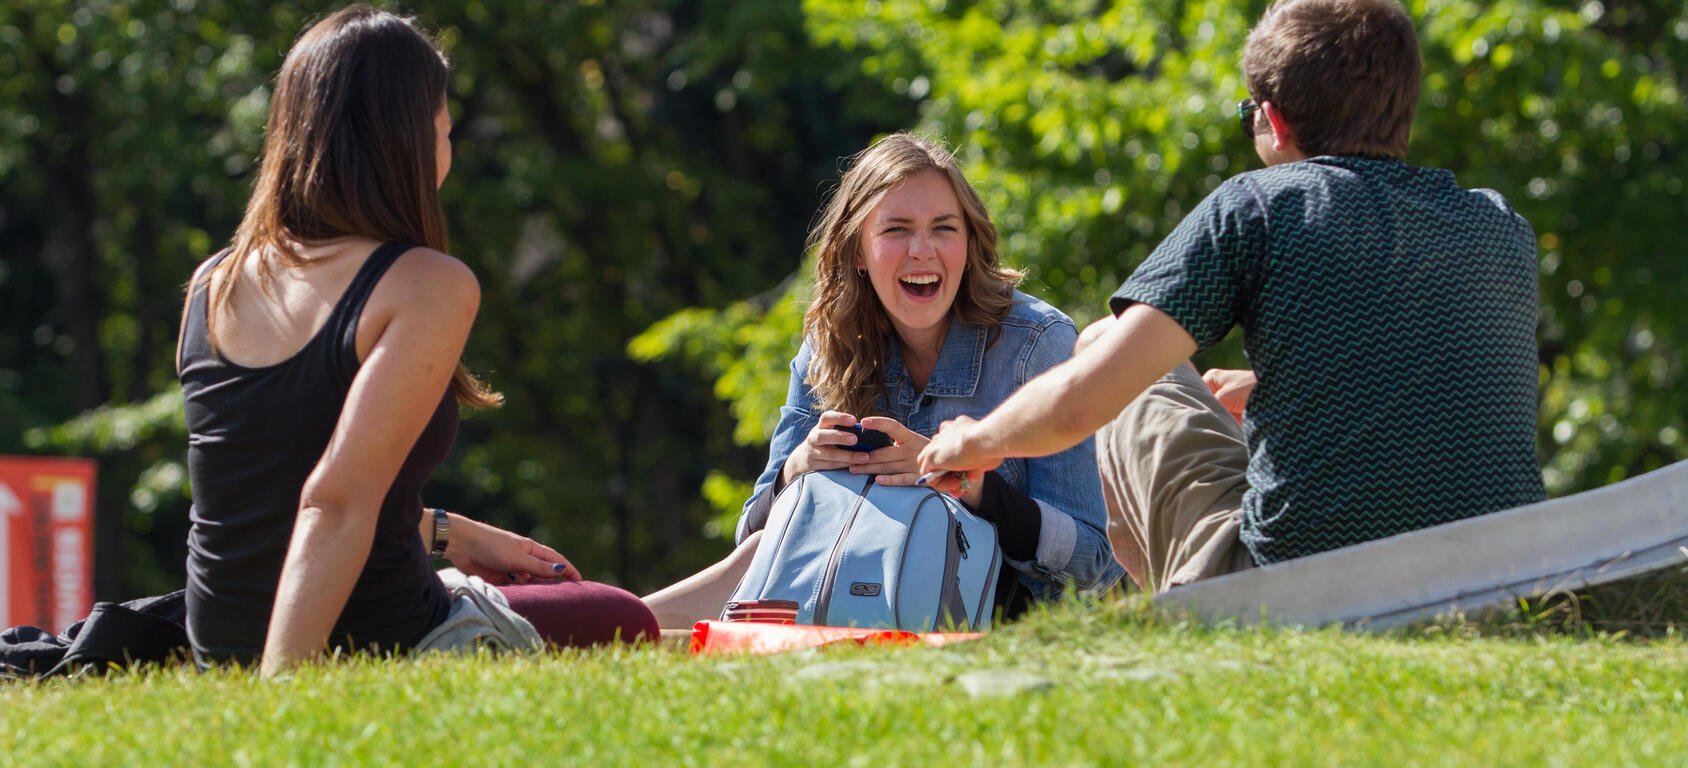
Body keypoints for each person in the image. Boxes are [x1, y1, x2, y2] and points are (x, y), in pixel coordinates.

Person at [918, 0, 1546, 591]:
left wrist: (975, 441)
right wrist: (1284, 386)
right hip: (1499, 579)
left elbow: (1084, 402)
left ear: (1274, 120)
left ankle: (1191, 617)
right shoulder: (1500, 225)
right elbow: (1440, 375)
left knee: (1107, 340)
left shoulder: (1260, 209)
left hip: (1299, 586)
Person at [177, 5, 653, 676]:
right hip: (366, 637)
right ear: (408, 139)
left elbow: (265, 495)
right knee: (621, 615)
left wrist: (449, 532)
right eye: (445, 129)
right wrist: (279, 695)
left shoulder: (212, 283)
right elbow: (330, 501)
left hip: (216, 638)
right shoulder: (423, 283)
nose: (448, 148)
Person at [643, 134, 1122, 629]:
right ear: (856, 251)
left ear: (969, 241)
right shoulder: (828, 341)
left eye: (944, 228)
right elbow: (754, 541)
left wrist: (969, 486)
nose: (922, 250)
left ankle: (600, 624)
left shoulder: (1038, 344)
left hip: (996, 620)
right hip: (845, 603)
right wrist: (797, 469)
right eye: (897, 229)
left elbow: (1100, 566)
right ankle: (599, 625)